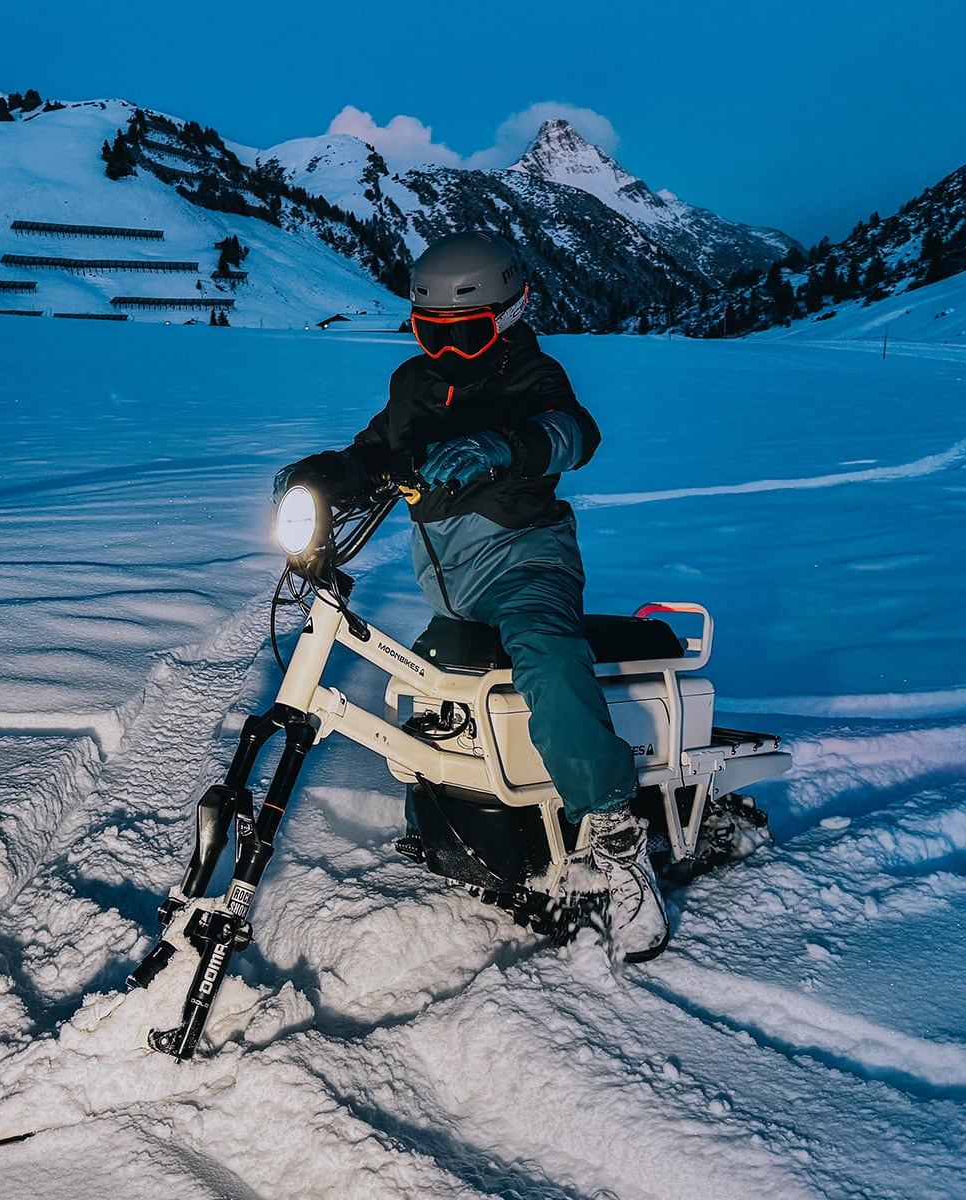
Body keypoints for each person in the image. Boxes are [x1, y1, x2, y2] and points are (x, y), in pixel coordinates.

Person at [272, 231, 669, 962]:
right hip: (451, 585)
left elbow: (574, 433)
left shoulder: (532, 374)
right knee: (429, 685)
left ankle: (617, 845)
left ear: (509, 316)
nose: (449, 352)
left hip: (527, 566)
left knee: (546, 657)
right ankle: (446, 818)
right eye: (433, 334)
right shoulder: (413, 385)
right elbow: (373, 452)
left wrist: (507, 446)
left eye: (468, 334)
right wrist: (327, 474)